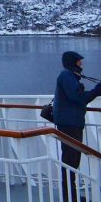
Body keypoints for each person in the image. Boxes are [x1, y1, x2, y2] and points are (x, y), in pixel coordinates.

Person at [53, 51, 101, 202]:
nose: (82, 64)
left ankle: (70, 195)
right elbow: (78, 98)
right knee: (70, 161)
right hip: (69, 124)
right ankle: (69, 197)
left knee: (72, 160)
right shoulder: (67, 76)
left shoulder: (69, 75)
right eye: (79, 62)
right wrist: (96, 91)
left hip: (71, 123)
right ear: (73, 62)